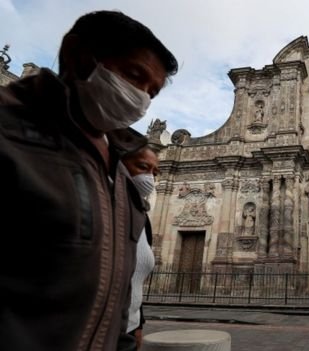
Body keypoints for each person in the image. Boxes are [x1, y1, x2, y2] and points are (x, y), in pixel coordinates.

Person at [0, 10, 177, 351]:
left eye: (151, 93)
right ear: (77, 55)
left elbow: (118, 287)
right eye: (134, 75)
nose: (139, 98)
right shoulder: (10, 133)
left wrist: (126, 338)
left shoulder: (124, 177)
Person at [119, 146, 160, 351]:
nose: (149, 177)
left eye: (155, 172)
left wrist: (139, 322)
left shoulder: (143, 220)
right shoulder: (108, 208)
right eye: (143, 167)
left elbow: (135, 283)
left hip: (129, 326)